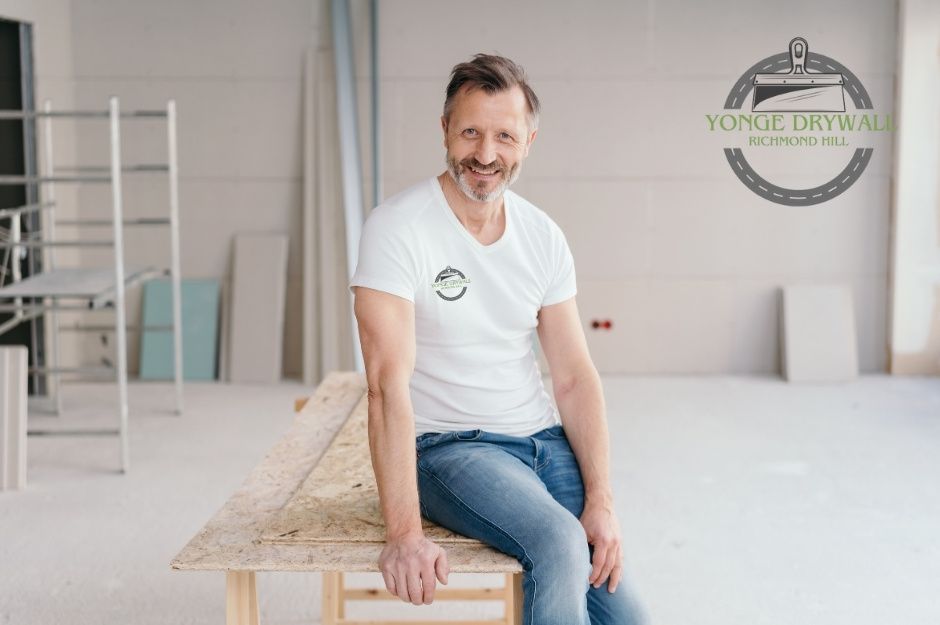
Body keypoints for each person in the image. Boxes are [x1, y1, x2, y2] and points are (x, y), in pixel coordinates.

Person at [349, 53, 644, 625]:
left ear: (529, 140)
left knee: (622, 609)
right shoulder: (397, 229)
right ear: (444, 131)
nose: (486, 155)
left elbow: (575, 377)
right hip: (452, 449)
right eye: (471, 133)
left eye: (504, 136)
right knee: (559, 541)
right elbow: (386, 387)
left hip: (544, 444)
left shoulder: (542, 236)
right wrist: (404, 531)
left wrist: (603, 500)